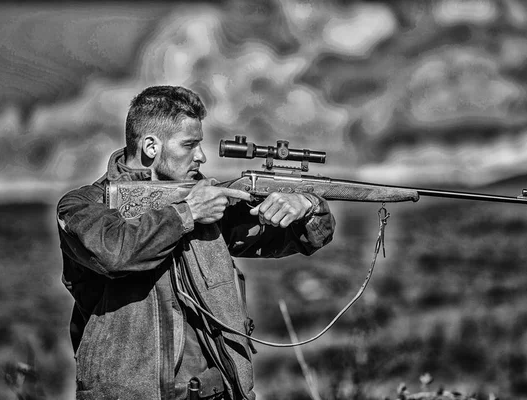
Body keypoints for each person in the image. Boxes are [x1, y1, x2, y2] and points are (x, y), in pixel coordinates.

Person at [56, 85, 335, 400]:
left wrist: (307, 208)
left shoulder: (206, 201)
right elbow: (114, 253)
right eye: (189, 144)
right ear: (150, 146)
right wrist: (186, 214)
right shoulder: (82, 205)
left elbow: (297, 237)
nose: (201, 156)